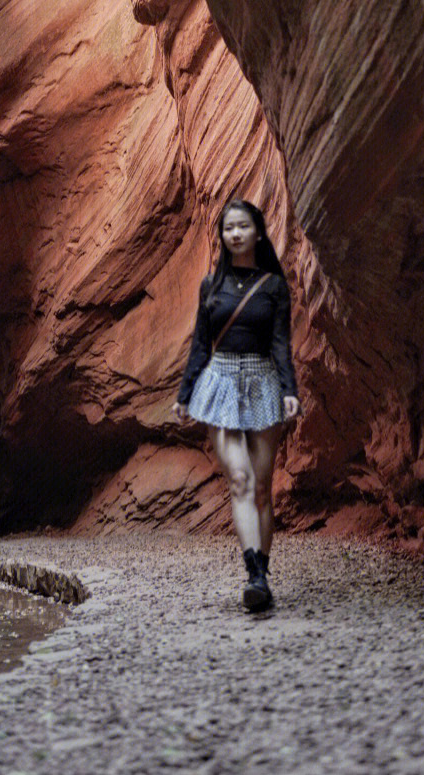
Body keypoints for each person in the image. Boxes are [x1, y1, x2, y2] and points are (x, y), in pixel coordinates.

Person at [172, 198, 300, 611]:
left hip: (263, 381)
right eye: (229, 228)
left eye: (243, 226)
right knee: (240, 480)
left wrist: (289, 389)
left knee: (262, 489)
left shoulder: (274, 287)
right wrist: (185, 393)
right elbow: (199, 345)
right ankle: (255, 575)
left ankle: (262, 571)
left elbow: (281, 344)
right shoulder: (211, 286)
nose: (236, 234)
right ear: (223, 236)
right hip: (221, 382)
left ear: (258, 233)